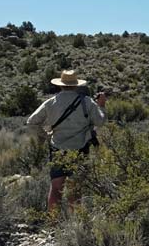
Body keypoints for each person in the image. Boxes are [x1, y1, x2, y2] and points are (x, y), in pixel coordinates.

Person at [27, 70, 106, 211]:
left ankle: (53, 225)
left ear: (60, 85)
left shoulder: (50, 103)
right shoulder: (88, 102)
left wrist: (46, 136)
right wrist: (101, 106)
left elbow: (31, 122)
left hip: (57, 149)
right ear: (76, 85)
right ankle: (74, 226)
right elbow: (100, 122)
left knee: (56, 188)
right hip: (80, 150)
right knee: (75, 190)